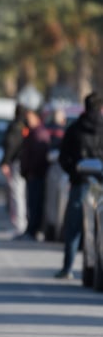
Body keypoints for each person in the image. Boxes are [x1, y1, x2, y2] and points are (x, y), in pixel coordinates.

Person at [55, 92, 103, 279]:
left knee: (73, 228)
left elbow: (62, 158)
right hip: (96, 185)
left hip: (80, 183)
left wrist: (74, 172)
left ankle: (68, 268)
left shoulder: (75, 129)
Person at [17, 106, 51, 241]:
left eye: (29, 117)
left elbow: (37, 157)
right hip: (31, 174)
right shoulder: (33, 132)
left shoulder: (39, 133)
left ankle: (33, 230)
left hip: (36, 174)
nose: (27, 120)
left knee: (35, 204)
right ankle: (30, 229)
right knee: (31, 203)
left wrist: (31, 170)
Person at [0, 104, 28, 237]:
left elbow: (10, 144)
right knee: (19, 194)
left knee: (17, 194)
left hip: (16, 162)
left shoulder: (15, 127)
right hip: (23, 162)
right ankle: (21, 224)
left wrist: (5, 161)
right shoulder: (25, 126)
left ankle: (20, 225)